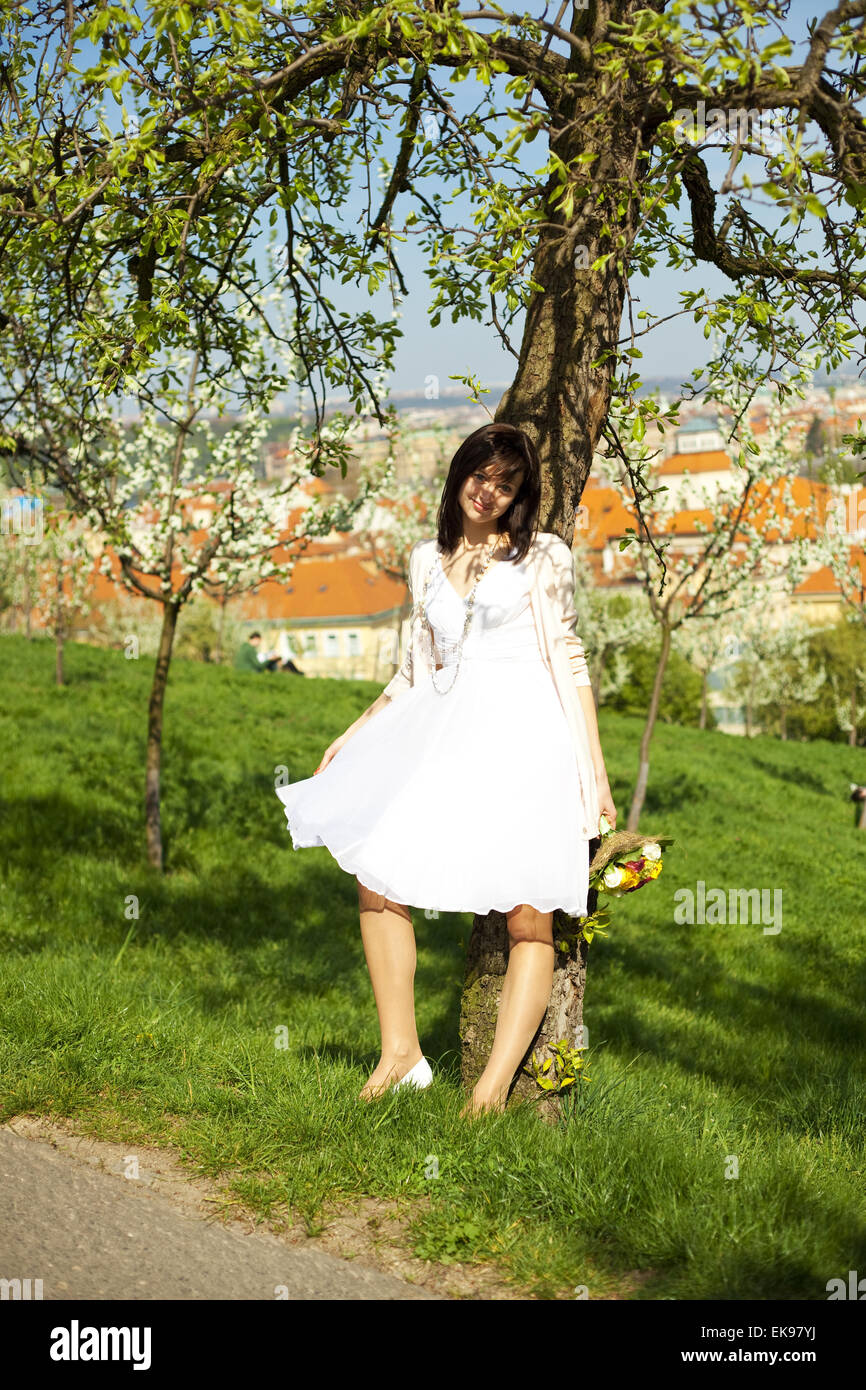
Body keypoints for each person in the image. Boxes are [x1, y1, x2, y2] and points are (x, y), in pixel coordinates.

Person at [274, 422, 617, 1118]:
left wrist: (596, 771)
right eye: (481, 475)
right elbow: (412, 668)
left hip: (529, 741)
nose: (489, 492)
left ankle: (488, 1094)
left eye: (507, 484)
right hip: (443, 737)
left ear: (521, 495)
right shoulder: (426, 558)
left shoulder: (542, 556)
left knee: (530, 916)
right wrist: (355, 729)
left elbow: (570, 658)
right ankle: (401, 1054)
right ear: (460, 472)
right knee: (377, 880)